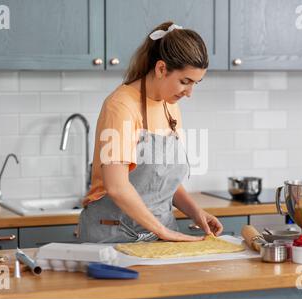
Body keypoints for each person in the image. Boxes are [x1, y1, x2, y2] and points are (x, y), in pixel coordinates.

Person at [77, 21, 223, 243]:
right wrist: (163, 231)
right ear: (161, 68)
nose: (189, 92)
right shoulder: (121, 106)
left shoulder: (170, 105)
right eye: (185, 81)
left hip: (158, 235)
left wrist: (196, 212)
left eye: (196, 83)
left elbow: (159, 182)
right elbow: (117, 186)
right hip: (115, 235)